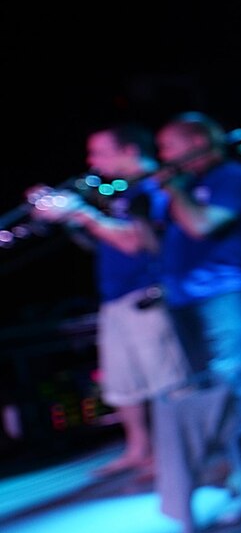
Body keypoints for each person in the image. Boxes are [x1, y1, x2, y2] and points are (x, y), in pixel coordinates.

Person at [26, 125, 190, 479]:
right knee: (122, 382)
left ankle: (173, 455)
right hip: (115, 296)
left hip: (146, 294)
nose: (91, 162)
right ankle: (138, 449)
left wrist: (80, 212)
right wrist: (68, 220)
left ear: (129, 151)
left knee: (164, 381)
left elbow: (134, 243)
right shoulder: (119, 192)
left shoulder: (151, 186)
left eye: (99, 152)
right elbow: (103, 243)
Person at [154, 112, 241, 526]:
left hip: (223, 292)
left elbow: (203, 226)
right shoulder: (182, 187)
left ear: (196, 141)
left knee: (235, 382)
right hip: (183, 299)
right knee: (212, 393)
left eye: (168, 147)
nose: (162, 156)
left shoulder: (235, 178)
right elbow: (152, 241)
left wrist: (172, 189)